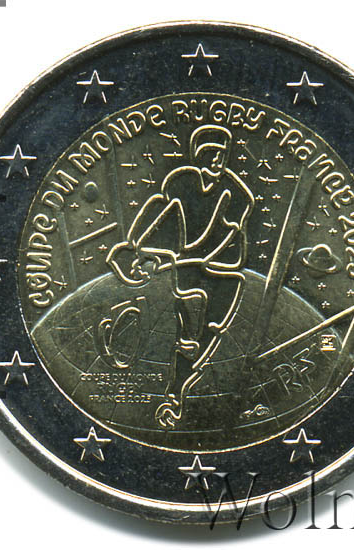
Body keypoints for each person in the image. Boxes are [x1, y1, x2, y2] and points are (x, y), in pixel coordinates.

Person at [107, 124, 255, 428]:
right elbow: (158, 211)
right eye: (212, 154)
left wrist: (191, 258)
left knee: (206, 332)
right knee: (186, 326)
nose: (218, 161)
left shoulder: (235, 192)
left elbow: (229, 235)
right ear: (199, 155)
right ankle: (175, 390)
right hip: (185, 269)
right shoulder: (181, 182)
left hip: (220, 272)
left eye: (223, 155)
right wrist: (137, 247)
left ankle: (182, 389)